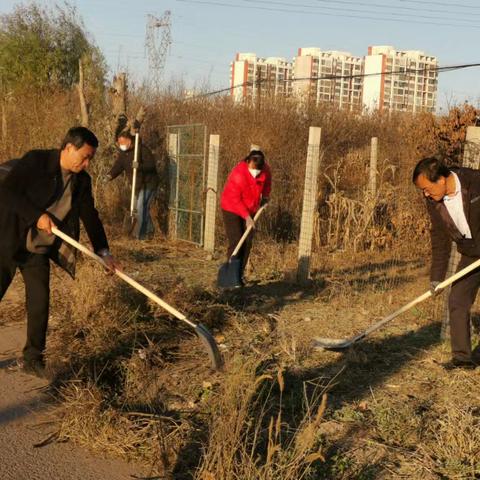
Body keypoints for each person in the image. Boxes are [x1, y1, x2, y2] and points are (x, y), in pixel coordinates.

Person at [0, 126, 120, 377]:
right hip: (8, 238)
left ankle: (33, 359)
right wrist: (36, 216)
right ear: (68, 148)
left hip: (37, 247)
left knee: (39, 300)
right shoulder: (36, 161)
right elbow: (6, 192)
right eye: (84, 157)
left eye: (90, 159)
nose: (86, 164)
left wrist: (104, 251)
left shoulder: (81, 182)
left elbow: (91, 216)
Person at [413, 156, 480, 370]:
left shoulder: (475, 181)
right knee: (458, 299)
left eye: (426, 188)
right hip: (471, 253)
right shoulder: (434, 202)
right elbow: (440, 240)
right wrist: (436, 278)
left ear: (441, 180)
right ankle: (462, 360)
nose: (425, 193)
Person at [220, 148, 272, 285]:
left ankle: (239, 275)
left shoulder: (265, 169)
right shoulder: (238, 175)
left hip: (251, 208)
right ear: (247, 161)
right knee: (237, 241)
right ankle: (230, 274)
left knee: (248, 242)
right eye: (253, 169)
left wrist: (265, 197)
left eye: (258, 170)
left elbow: (267, 182)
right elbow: (234, 199)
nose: (256, 172)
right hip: (231, 208)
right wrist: (247, 217)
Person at [105, 131, 159, 240]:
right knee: (137, 209)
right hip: (136, 185)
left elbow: (151, 166)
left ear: (130, 140)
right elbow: (118, 166)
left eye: (123, 142)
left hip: (148, 184)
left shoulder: (142, 150)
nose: (122, 145)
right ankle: (149, 231)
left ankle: (142, 236)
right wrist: (110, 175)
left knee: (140, 208)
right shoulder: (123, 154)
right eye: (119, 143)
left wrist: (139, 166)